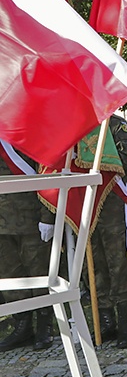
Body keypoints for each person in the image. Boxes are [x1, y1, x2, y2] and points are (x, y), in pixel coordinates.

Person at [89, 114, 127, 348]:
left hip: (110, 200)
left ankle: (126, 320)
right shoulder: (76, 125)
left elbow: (126, 160)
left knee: (116, 261)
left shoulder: (116, 124)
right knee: (94, 263)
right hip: (85, 202)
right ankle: (105, 319)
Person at [0, 143, 54, 351]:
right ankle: (21, 324)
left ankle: (44, 324)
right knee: (10, 275)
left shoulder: (23, 130)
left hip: (31, 217)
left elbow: (46, 172)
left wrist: (47, 216)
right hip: (3, 222)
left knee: (38, 272)